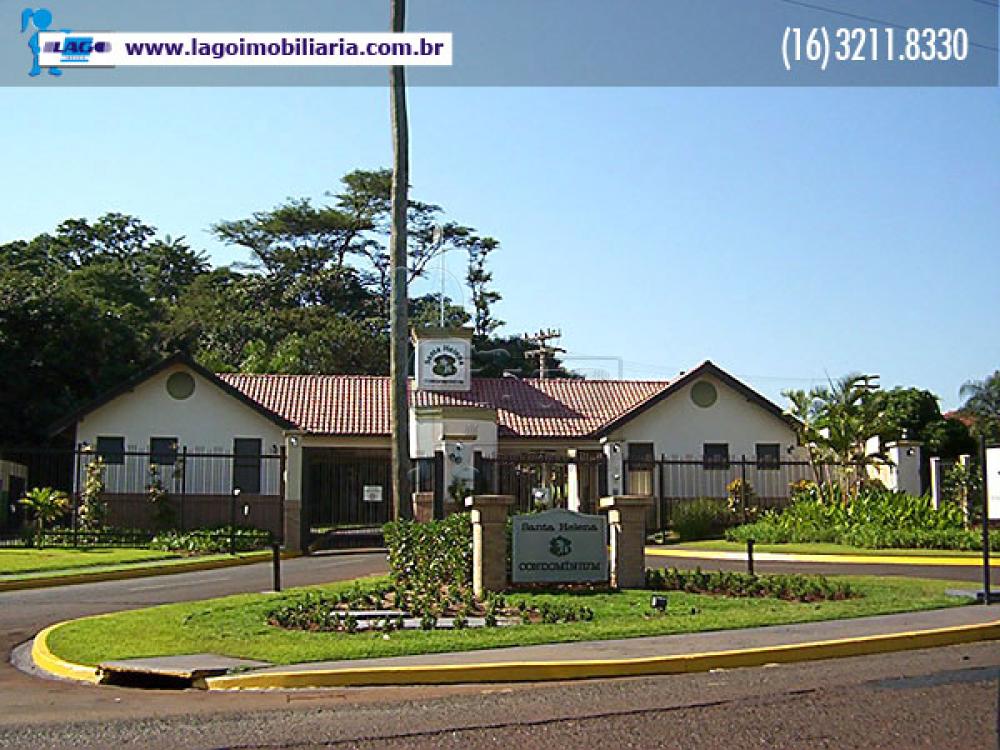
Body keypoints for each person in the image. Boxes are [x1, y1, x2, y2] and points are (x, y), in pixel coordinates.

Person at [21, 7, 62, 77]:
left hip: (48, 50)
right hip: (40, 51)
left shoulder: (47, 33)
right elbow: (31, 42)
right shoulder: (37, 34)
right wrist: (35, 47)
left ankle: (52, 68)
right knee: (38, 59)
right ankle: (36, 69)